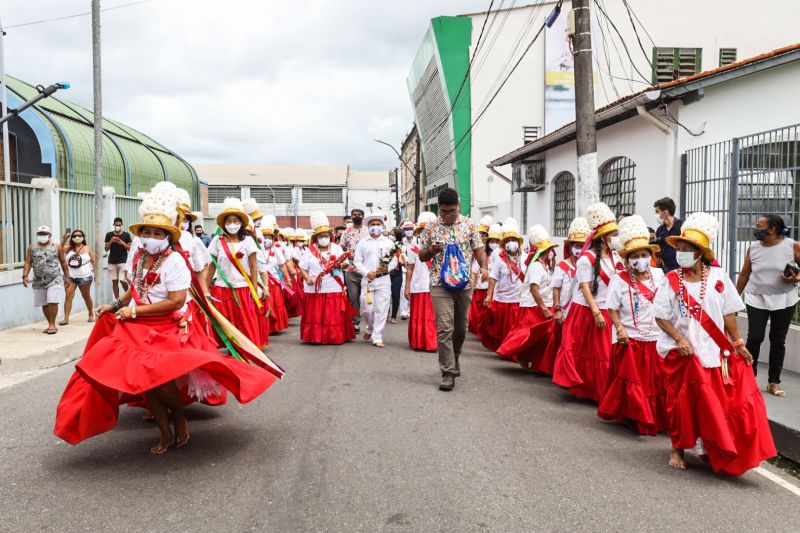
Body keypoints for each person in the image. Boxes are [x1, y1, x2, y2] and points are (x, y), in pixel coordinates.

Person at [53, 191, 280, 454]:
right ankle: (164, 433)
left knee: (161, 380)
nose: (151, 237)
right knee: (144, 382)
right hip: (136, 328)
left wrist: (135, 311)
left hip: (165, 327)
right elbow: (134, 289)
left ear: (168, 236)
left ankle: (179, 417)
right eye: (147, 232)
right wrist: (115, 306)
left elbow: (175, 301)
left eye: (158, 233)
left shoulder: (174, 261)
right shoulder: (137, 258)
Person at [653, 212, 776, 475]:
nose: (681, 254)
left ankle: (708, 446)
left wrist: (738, 343)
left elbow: (728, 313)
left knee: (712, 403)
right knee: (682, 403)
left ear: (699, 253)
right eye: (679, 249)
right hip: (681, 351)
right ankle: (677, 447)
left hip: (712, 350)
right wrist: (679, 339)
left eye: (686, 250)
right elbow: (661, 316)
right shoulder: (671, 279)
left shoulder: (718, 276)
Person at [597, 215, 668, 435]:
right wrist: (619, 329)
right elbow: (611, 308)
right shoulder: (619, 279)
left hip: (656, 338)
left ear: (651, 256)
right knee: (632, 381)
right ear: (628, 260)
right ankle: (634, 415)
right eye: (635, 256)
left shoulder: (659, 275)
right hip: (631, 339)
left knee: (656, 382)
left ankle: (656, 417)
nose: (640, 259)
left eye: (644, 255)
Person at [418, 188, 488, 391]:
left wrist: (484, 267)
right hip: (439, 285)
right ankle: (447, 372)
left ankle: (455, 356)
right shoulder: (431, 228)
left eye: (451, 211)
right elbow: (421, 256)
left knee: (460, 328)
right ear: (438, 209)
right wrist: (432, 250)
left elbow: (479, 249)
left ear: (458, 206)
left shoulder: (469, 225)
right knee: (444, 328)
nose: (447, 215)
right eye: (443, 211)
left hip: (464, 284)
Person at [553, 202, 622, 402]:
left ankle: (599, 391)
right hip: (588, 310)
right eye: (613, 234)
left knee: (604, 353)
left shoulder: (616, 257)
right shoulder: (586, 259)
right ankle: (589, 390)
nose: (616, 237)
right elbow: (584, 287)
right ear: (603, 237)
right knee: (593, 352)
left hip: (608, 309)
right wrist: (596, 312)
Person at [736, 214, 800, 397]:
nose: (755, 229)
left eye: (759, 226)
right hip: (756, 298)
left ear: (772, 229)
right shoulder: (753, 248)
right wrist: (734, 299)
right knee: (755, 337)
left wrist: (796, 278)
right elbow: (744, 274)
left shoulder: (792, 245)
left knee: (778, 340)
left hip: (785, 298)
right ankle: (749, 379)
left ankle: (774, 381)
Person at [497, 225, 559, 374]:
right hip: (534, 307)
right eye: (549, 249)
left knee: (545, 337)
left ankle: (539, 364)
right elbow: (534, 289)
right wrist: (544, 308)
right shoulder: (536, 266)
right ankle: (524, 357)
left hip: (544, 305)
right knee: (531, 336)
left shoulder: (546, 266)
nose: (551, 252)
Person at [207, 198, 265, 349]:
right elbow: (211, 266)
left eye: (235, 221)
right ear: (223, 224)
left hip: (243, 288)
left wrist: (254, 289)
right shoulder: (217, 241)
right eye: (228, 221)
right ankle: (231, 348)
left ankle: (245, 348)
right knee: (225, 320)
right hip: (222, 289)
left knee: (245, 319)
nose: (232, 224)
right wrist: (205, 289)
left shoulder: (249, 241)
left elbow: (253, 267)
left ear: (241, 223)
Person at [298, 212, 355, 344]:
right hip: (314, 287)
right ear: (316, 238)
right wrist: (307, 278)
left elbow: (346, 264)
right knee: (316, 313)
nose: (324, 238)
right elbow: (302, 267)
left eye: (326, 236)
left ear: (330, 236)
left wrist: (340, 264)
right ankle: (315, 336)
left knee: (332, 313)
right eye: (321, 236)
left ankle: (333, 336)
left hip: (333, 285)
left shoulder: (336, 248)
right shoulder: (309, 250)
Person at [354, 214, 397, 348]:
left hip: (383, 280)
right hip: (368, 280)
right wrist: (366, 272)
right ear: (368, 227)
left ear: (383, 226)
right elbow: (357, 262)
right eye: (373, 224)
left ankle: (377, 336)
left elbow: (394, 261)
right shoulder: (362, 243)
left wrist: (387, 268)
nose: (376, 227)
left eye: (378, 224)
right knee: (367, 309)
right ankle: (370, 328)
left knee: (381, 309)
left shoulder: (389, 243)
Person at [481, 219, 524, 353]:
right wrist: (489, 295)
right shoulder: (500, 258)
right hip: (502, 299)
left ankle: (511, 351)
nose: (511, 242)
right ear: (504, 243)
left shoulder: (525, 257)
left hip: (518, 299)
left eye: (514, 239)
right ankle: (503, 349)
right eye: (508, 240)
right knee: (501, 328)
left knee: (514, 329)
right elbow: (493, 277)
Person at [22, 226, 69, 334]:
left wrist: (67, 277)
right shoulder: (32, 247)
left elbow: (63, 262)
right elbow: (28, 262)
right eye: (40, 233)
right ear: (37, 235)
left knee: (52, 300)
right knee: (44, 303)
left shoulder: (57, 247)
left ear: (49, 235)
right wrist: (25, 276)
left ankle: (52, 325)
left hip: (55, 278)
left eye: (45, 233)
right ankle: (50, 324)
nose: (42, 236)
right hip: (38, 280)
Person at [404, 212, 438, 352]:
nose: (425, 233)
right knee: (418, 316)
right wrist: (407, 287)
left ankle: (432, 343)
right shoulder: (414, 246)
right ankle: (418, 342)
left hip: (436, 286)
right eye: (422, 230)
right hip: (418, 286)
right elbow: (410, 268)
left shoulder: (439, 247)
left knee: (433, 316)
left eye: (428, 230)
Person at [551, 217, 590, 327]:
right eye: (577, 246)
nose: (580, 249)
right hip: (566, 315)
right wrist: (557, 310)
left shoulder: (591, 266)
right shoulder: (562, 266)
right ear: (570, 247)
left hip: (584, 316)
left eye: (583, 246)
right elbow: (556, 289)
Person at [468, 222, 501, 337]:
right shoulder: (482, 254)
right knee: (480, 314)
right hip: (481, 288)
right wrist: (474, 284)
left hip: (494, 290)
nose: (494, 244)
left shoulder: (501, 256)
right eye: (492, 241)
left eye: (497, 241)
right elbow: (474, 270)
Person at [340, 208, 369, 333]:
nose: (357, 216)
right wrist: (347, 256)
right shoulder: (346, 232)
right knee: (353, 297)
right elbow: (341, 248)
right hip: (350, 269)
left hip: (366, 269)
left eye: (359, 215)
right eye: (354, 215)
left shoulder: (368, 231)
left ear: (363, 216)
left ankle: (370, 322)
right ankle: (355, 322)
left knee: (366, 297)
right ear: (351, 217)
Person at [61, 229, 96, 325]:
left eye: (79, 236)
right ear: (71, 238)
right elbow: (60, 249)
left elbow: (94, 261)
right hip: (70, 276)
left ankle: (91, 313)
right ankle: (66, 318)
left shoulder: (87, 249)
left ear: (83, 237)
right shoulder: (69, 248)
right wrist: (64, 239)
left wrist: (96, 274)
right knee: (68, 295)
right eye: (74, 236)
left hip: (84, 276)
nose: (77, 237)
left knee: (86, 296)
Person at [104, 217, 133, 299]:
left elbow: (130, 248)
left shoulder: (126, 235)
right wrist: (111, 241)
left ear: (122, 225)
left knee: (123, 281)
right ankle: (117, 300)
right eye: (116, 225)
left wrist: (121, 242)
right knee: (114, 282)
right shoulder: (109, 235)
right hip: (112, 261)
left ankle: (127, 298)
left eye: (119, 225)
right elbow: (106, 249)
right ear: (113, 224)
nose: (118, 227)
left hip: (123, 261)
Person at [654, 197, 683, 272]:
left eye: (657, 211)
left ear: (665, 213)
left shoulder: (682, 226)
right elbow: (659, 249)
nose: (655, 214)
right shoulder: (660, 230)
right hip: (666, 271)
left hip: (682, 269)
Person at [397, 220, 416, 320]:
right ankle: (404, 311)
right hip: (404, 269)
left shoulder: (418, 241)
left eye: (410, 229)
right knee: (403, 289)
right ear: (404, 230)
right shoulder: (400, 242)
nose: (409, 231)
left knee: (414, 289)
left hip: (416, 269)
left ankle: (411, 310)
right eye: (407, 229)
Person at [389, 227, 407, 324]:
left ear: (397, 236)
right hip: (386, 273)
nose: (390, 236)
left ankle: (393, 316)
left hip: (397, 273)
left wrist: (402, 260)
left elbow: (405, 261)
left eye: (393, 235)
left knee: (395, 295)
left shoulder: (402, 247)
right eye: (390, 234)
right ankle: (385, 314)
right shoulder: (385, 244)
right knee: (385, 295)